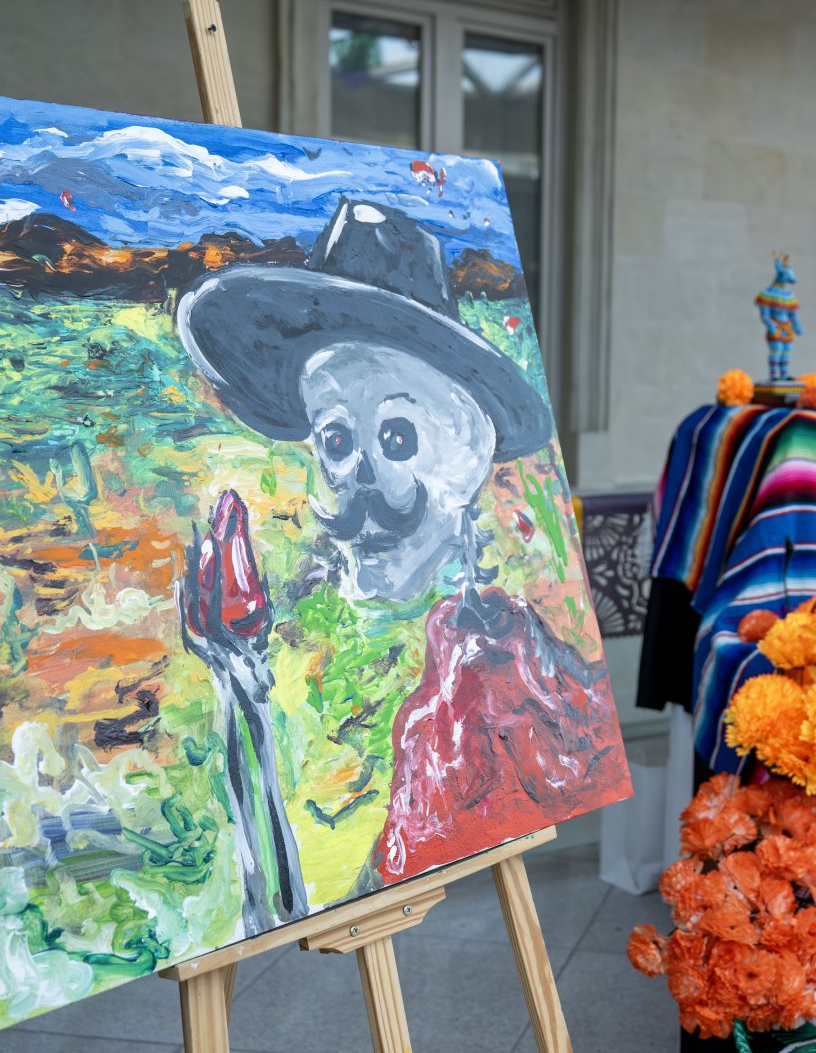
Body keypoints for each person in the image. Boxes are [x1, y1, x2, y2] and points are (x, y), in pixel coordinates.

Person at [177, 198, 627, 889]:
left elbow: (335, 887)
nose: (359, 480)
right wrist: (238, 680)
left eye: (397, 438)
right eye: (334, 440)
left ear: (466, 455)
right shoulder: (297, 630)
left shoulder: (489, 677)